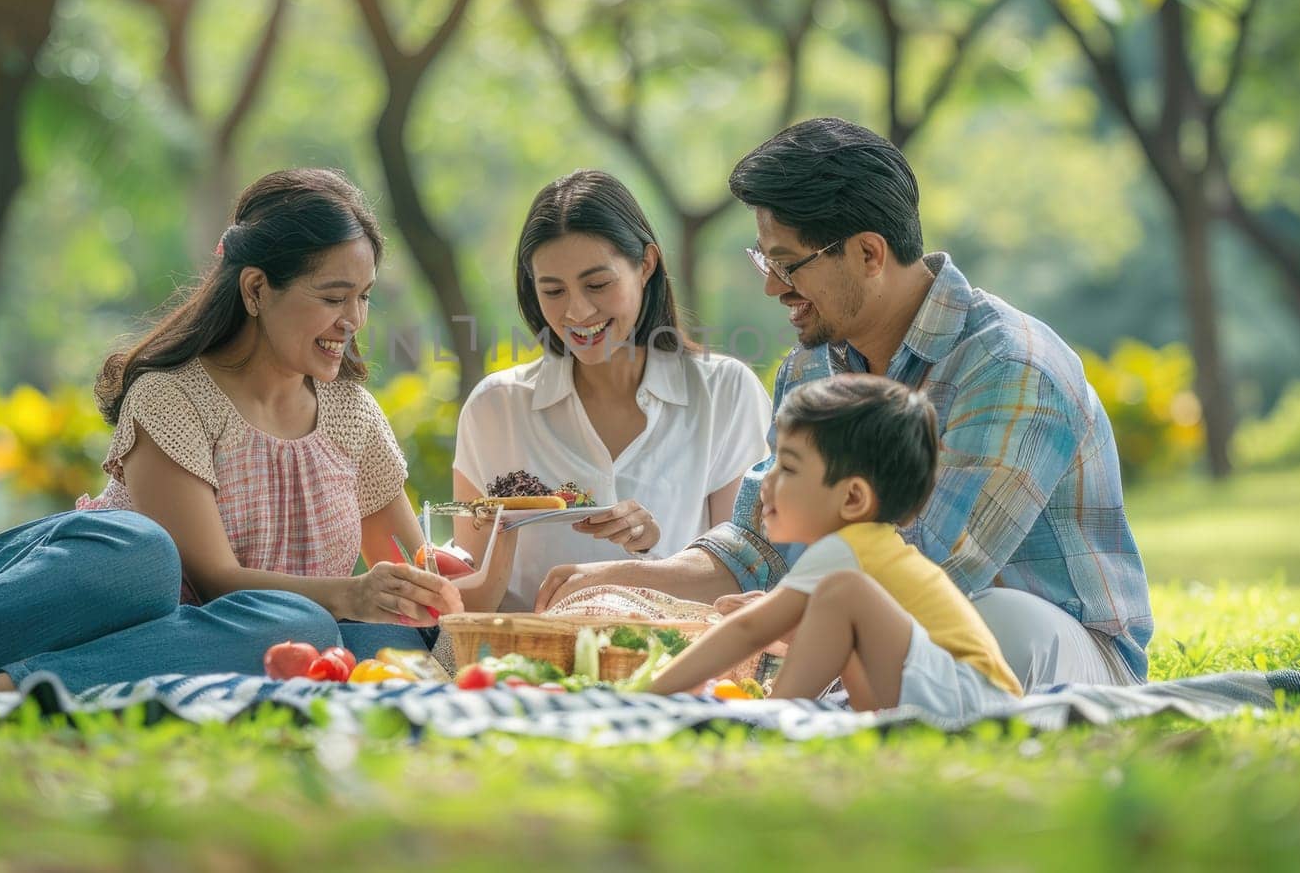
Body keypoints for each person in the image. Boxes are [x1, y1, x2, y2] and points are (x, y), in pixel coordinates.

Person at [0, 169, 462, 694]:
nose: (355, 320)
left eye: (364, 297)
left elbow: (412, 573)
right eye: (334, 296)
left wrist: (479, 570)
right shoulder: (173, 396)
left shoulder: (349, 412)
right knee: (147, 555)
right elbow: (216, 580)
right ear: (255, 290)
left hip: (191, 641)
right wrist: (349, 590)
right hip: (68, 595)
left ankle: (4, 688)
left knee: (334, 631)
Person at [537, 118, 1153, 689]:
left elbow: (938, 568)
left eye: (787, 264)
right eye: (765, 260)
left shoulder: (1010, 366)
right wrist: (628, 579)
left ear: (867, 253)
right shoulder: (812, 368)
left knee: (1001, 618)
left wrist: (793, 612)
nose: (772, 287)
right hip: (885, 647)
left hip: (1052, 649)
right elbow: (761, 542)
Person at [451, 169, 771, 612]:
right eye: (553, 290)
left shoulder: (725, 394)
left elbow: (743, 579)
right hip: (525, 669)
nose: (577, 311)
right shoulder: (495, 409)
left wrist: (649, 553)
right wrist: (503, 531)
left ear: (645, 265)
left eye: (597, 284)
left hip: (671, 671)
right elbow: (469, 597)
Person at [649, 374, 1022, 713]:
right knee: (836, 603)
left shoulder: (844, 548)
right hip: (948, 700)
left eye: (789, 467)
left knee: (844, 591)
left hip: (974, 700)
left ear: (852, 499)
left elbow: (748, 630)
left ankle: (768, 723)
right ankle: (777, 716)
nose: (767, 480)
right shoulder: (865, 549)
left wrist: (647, 697)